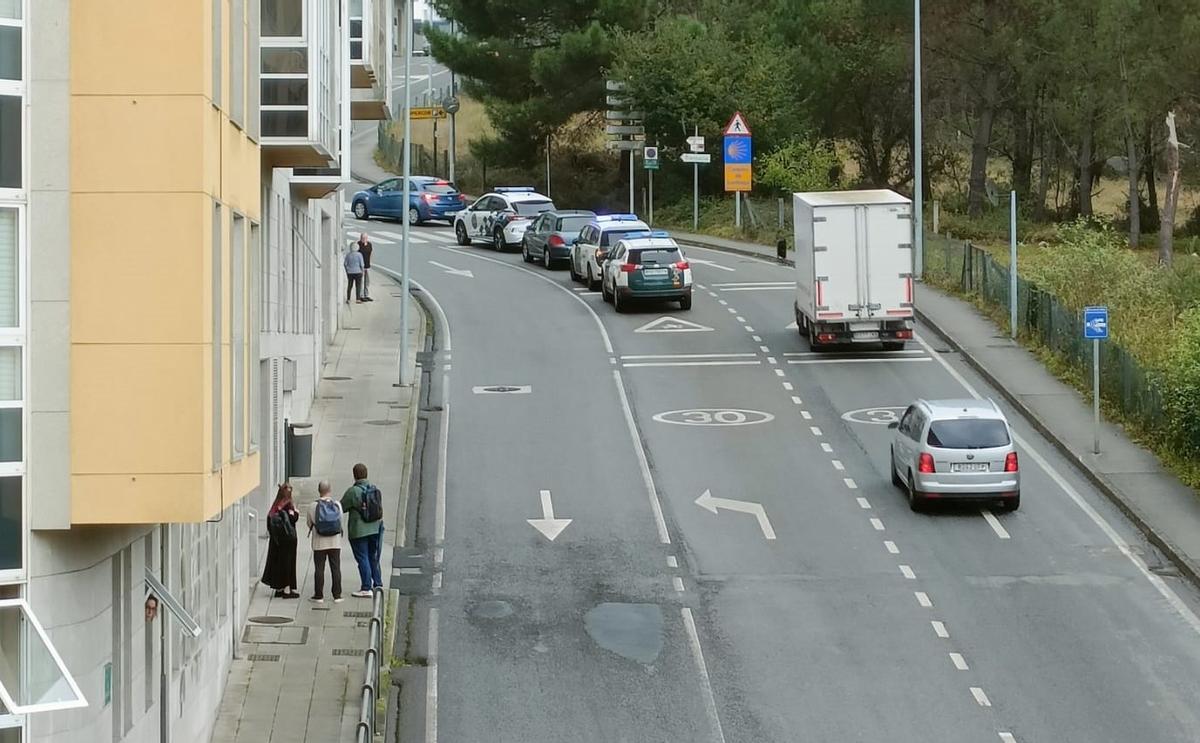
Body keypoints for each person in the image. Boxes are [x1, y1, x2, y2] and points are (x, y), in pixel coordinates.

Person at [341, 463, 384, 598]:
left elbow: (341, 507)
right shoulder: (374, 489)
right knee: (373, 556)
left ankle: (366, 587)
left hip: (359, 531)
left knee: (362, 558)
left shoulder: (353, 492)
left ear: (354, 475)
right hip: (375, 529)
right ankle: (377, 583)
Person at [306, 480, 345, 603]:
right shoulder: (337, 505)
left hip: (319, 542)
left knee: (319, 569)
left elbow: (309, 523)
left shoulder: (313, 506)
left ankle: (319, 596)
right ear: (330, 490)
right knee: (336, 568)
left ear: (319, 491)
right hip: (335, 542)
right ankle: (337, 595)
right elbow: (341, 521)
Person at [262, 483, 300, 599]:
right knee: (288, 564)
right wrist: (296, 512)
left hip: (276, 541)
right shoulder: (288, 505)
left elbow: (269, 521)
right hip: (288, 540)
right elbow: (293, 519)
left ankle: (279, 588)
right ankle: (287, 590)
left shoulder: (275, 505)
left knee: (278, 564)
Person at [357, 234, 374, 302]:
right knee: (361, 281)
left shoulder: (369, 244)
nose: (364, 239)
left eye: (365, 238)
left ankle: (366, 295)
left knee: (367, 282)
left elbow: (371, 253)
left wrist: (370, 262)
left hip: (367, 266)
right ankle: (361, 296)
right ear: (360, 238)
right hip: (361, 266)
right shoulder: (358, 244)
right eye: (363, 238)